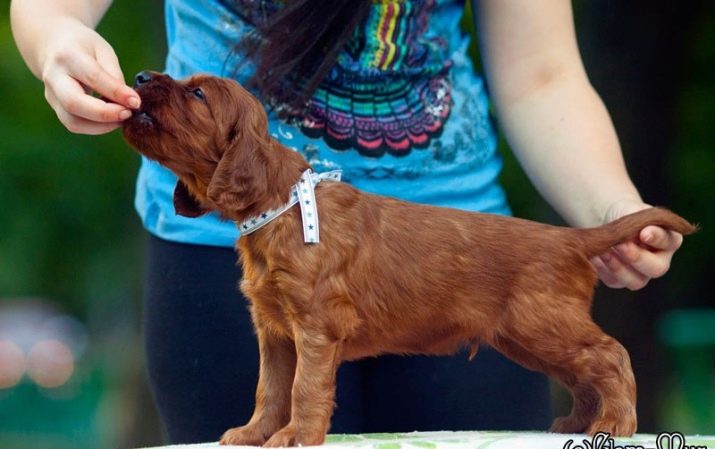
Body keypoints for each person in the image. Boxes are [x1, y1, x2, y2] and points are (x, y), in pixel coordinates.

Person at [11, 0, 684, 444]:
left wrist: (610, 205)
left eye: (194, 96)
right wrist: (56, 40)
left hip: (460, 248)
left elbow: (542, 74)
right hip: (210, 256)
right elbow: (51, 9)